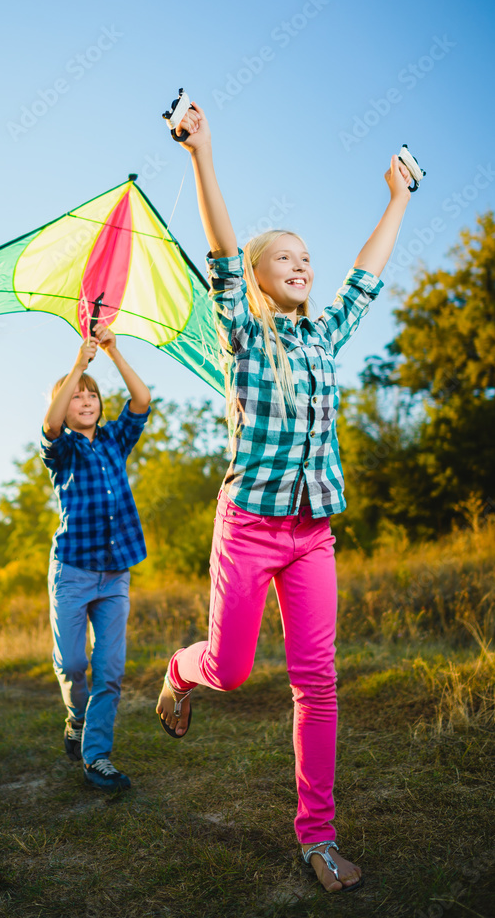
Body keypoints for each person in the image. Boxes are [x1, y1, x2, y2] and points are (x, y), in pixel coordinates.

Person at [156, 102, 413, 891]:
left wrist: (397, 197)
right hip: (249, 528)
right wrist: (203, 154)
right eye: (285, 259)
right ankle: (180, 669)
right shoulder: (242, 330)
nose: (302, 265)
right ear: (260, 280)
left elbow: (367, 276)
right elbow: (223, 251)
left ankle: (317, 837)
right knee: (231, 671)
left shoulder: (326, 335)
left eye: (308, 257)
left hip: (312, 533)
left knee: (318, 680)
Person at [41, 321, 151, 791]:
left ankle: (97, 756)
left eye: (91, 396)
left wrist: (111, 351)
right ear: (65, 408)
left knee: (109, 669)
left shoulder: (113, 440)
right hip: (73, 570)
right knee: (72, 664)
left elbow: (142, 400)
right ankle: (75, 718)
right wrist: (77, 366)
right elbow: (49, 423)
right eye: (76, 398)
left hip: (115, 573)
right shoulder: (60, 448)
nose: (85, 402)